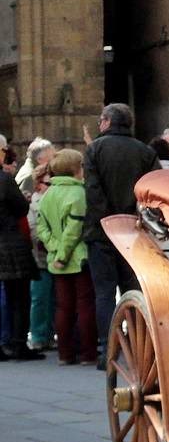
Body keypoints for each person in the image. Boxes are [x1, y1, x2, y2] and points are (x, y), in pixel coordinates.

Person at [84, 103, 160, 367]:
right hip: (135, 230)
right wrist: (134, 217)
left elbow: (93, 191)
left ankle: (108, 350)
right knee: (134, 288)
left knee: (104, 293)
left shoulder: (95, 149)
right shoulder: (145, 151)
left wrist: (107, 220)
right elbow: (153, 189)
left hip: (102, 231)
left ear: (106, 121)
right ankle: (139, 347)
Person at [35, 149, 97, 365]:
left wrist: (54, 250)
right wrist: (63, 253)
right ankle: (88, 353)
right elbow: (74, 230)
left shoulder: (47, 194)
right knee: (85, 305)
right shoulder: (78, 193)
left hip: (56, 260)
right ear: (75, 168)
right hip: (78, 258)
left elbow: (41, 228)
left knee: (63, 307)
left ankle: (65, 354)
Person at [0, 154, 41, 360]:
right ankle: (18, 344)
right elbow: (21, 208)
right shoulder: (4, 179)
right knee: (18, 296)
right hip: (8, 243)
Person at [25, 164, 55, 352]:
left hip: (54, 256)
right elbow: (32, 229)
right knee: (39, 298)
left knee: (54, 298)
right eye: (47, 183)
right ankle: (37, 335)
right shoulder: (34, 203)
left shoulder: (52, 200)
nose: (50, 187)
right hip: (40, 257)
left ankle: (49, 334)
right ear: (38, 184)